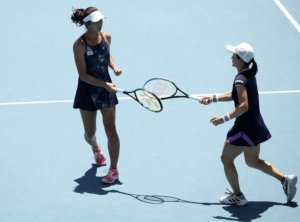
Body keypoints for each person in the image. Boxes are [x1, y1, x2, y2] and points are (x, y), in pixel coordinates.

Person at [201, 42, 297, 206]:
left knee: (226, 159)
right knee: (252, 161)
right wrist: (213, 98)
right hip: (255, 127)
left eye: (233, 55)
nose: (231, 57)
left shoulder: (240, 79)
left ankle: (238, 196)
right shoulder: (248, 74)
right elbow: (234, 95)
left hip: (243, 129)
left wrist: (222, 119)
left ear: (239, 59)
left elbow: (243, 106)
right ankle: (285, 179)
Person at [71, 7, 122, 184]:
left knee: (111, 129)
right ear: (87, 23)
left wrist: (114, 67)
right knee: (90, 132)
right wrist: (104, 85)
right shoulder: (79, 45)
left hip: (106, 90)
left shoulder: (106, 37)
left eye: (101, 20)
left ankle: (114, 170)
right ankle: (95, 147)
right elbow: (83, 75)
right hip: (88, 90)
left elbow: (107, 56)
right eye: (96, 21)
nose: (100, 24)